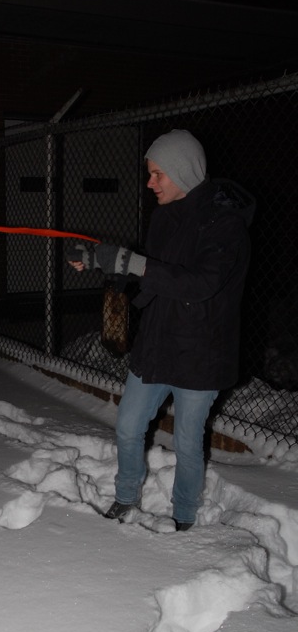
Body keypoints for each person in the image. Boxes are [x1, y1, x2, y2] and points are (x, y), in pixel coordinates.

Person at [67, 129, 255, 531]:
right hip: (158, 341)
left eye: (158, 175)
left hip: (202, 350)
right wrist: (105, 264)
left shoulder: (226, 225)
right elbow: (152, 273)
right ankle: (126, 496)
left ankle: (184, 515)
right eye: (150, 174)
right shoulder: (165, 216)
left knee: (188, 440)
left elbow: (199, 284)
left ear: (183, 172)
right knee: (128, 425)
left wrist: (131, 263)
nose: (150, 183)